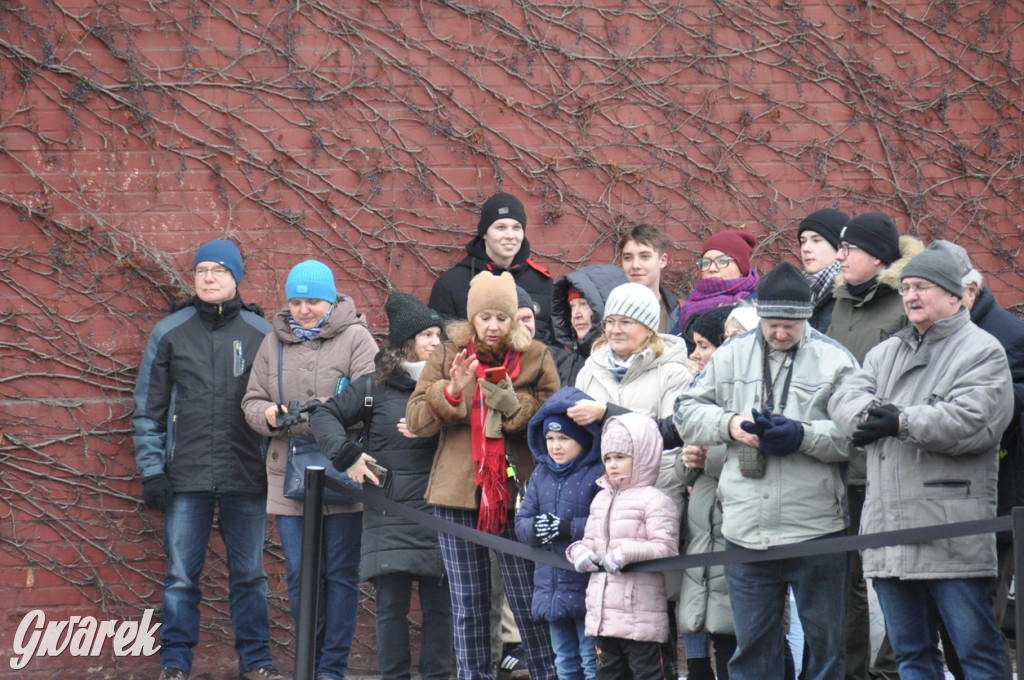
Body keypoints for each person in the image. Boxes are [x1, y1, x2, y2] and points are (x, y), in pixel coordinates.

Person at [829, 243, 1013, 680]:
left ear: (955, 295)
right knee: (911, 655)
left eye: (922, 287)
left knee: (977, 652)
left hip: (949, 529)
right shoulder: (886, 351)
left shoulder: (983, 351)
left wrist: (900, 422)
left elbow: (973, 421)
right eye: (906, 287)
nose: (910, 295)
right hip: (888, 528)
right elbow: (843, 397)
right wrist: (873, 418)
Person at [674, 262, 858, 680]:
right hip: (743, 530)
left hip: (816, 530)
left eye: (789, 326)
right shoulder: (732, 354)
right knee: (752, 651)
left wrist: (802, 436)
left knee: (826, 650)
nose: (779, 334)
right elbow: (686, 412)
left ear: (807, 318)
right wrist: (731, 425)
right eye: (772, 324)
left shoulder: (835, 360)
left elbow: (857, 434)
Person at [133, 239, 286, 680]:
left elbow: (280, 404)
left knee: (251, 576)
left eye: (219, 270)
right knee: (181, 578)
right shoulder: (169, 332)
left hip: (247, 476)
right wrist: (153, 470)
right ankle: (175, 665)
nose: (209, 278)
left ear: (236, 277)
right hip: (185, 478)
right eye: (201, 270)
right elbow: (148, 409)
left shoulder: (261, 334)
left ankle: (256, 663)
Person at [406, 270, 560, 680]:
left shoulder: (536, 356)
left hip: (517, 496)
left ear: (514, 320)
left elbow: (555, 429)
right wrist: (453, 391)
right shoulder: (446, 354)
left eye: (502, 318)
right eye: (484, 317)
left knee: (529, 601)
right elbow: (418, 423)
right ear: (471, 319)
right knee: (469, 605)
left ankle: (548, 673)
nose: (493, 326)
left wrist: (515, 407)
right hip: (458, 495)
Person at [240, 259, 378, 680]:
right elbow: (250, 400)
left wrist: (329, 418)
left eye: (314, 301)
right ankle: (307, 664)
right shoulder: (272, 343)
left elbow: (372, 398)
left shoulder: (357, 338)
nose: (304, 309)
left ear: (331, 299)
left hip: (342, 466)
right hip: (288, 471)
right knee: (300, 573)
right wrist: (267, 414)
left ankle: (331, 669)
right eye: (297, 301)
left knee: (340, 574)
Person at [308, 291, 453, 680]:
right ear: (407, 343)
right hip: (389, 514)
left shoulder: (453, 385)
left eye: (439, 335)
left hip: (442, 511)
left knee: (442, 609)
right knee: (391, 609)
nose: (436, 343)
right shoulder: (374, 386)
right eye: (427, 336)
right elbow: (324, 415)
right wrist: (347, 455)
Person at [824, 211, 922, 680]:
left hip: (891, 464)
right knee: (844, 582)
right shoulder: (836, 302)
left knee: (896, 574)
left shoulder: (905, 301)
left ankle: (893, 670)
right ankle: (851, 671)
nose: (838, 257)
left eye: (849, 249)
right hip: (840, 463)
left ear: (878, 256)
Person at [566, 413, 680, 680]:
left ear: (641, 457)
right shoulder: (601, 499)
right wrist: (578, 552)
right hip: (603, 618)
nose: (612, 465)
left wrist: (627, 553)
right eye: (607, 458)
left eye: (620, 457)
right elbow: (590, 540)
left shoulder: (655, 500)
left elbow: (666, 547)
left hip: (641, 618)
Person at [516, 386, 604, 680]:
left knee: (591, 663)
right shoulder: (540, 474)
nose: (556, 446)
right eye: (550, 438)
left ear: (584, 439)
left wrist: (568, 529)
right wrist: (537, 529)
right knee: (564, 662)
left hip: (587, 588)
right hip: (550, 587)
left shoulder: (598, 474)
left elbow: (607, 523)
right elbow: (522, 522)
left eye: (564, 438)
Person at [674, 304, 738, 680]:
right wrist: (690, 457)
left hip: (731, 521)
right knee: (699, 613)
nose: (695, 355)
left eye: (703, 346)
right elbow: (684, 466)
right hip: (702, 524)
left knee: (734, 634)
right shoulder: (696, 392)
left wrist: (708, 454)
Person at [429, 192, 555, 344]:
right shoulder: (450, 284)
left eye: (516, 227)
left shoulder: (542, 283)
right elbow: (441, 348)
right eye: (501, 227)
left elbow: (555, 344)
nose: (510, 235)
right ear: (484, 233)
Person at [679, 229, 760, 348]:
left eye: (722, 261)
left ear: (741, 267)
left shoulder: (754, 305)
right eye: (706, 262)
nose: (712, 268)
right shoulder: (687, 307)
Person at [550, 264, 627, 386]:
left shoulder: (625, 365)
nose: (576, 314)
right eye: (572, 306)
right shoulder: (567, 364)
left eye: (584, 304)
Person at [618, 224, 685, 334]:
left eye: (644, 256)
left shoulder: (683, 312)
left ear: (662, 260)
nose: (635, 265)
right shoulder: (609, 312)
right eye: (628, 258)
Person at [796, 208, 847, 333]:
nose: (806, 248)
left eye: (816, 240)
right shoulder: (795, 290)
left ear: (839, 246)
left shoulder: (850, 292)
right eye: (803, 241)